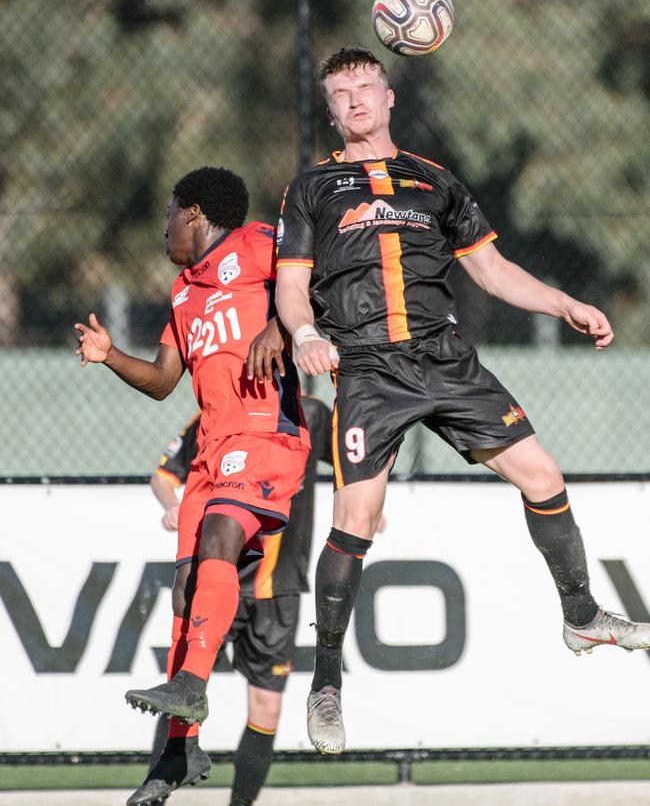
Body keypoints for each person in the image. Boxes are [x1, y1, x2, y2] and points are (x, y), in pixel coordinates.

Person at [274, 46, 650, 755]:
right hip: (369, 369)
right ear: (329, 110)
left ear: (389, 98)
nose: (354, 100)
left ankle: (582, 613)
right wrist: (302, 333)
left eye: (365, 86)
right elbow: (291, 283)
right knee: (356, 516)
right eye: (340, 92)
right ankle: (326, 683)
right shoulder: (312, 188)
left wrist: (564, 302)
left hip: (444, 359)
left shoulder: (435, 182)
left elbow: (493, 270)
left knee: (544, 476)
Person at [75, 166, 310, 805]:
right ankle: (180, 748)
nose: (166, 226)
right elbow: (161, 379)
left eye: (171, 212)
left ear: (197, 213)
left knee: (224, 540)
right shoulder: (184, 291)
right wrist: (108, 355)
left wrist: (281, 328)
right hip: (209, 452)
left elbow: (321, 285)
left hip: (266, 434)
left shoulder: (261, 243)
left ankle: (187, 690)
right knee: (185, 590)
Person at [149, 396, 332, 805]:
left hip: (277, 588)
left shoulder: (312, 414)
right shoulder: (215, 413)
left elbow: (352, 457)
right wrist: (173, 507)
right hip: (216, 579)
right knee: (183, 695)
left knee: (266, 709)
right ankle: (157, 791)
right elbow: (163, 477)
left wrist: (362, 503)